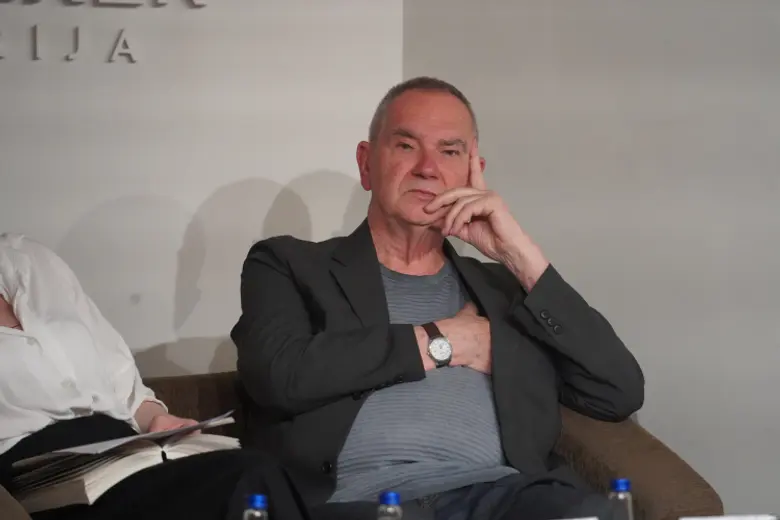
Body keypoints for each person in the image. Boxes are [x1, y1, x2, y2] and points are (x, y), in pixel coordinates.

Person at [231, 76, 645, 520]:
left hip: (503, 499)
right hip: (364, 505)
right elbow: (278, 375)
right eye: (406, 146)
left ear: (472, 171)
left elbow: (616, 390)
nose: (427, 168)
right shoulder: (290, 265)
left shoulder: (505, 291)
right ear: (367, 164)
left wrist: (519, 255)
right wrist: (443, 341)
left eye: (449, 151)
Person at [0, 233, 312, 520]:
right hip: (40, 484)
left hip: (125, 457)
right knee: (251, 478)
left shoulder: (30, 258)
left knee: (258, 479)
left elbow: (124, 384)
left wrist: (158, 420)